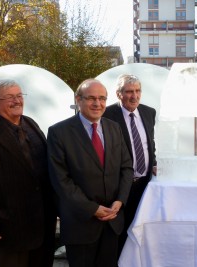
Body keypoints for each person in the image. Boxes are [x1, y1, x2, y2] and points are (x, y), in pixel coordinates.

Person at [0, 79, 57, 267]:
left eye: (19, 96)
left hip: (42, 226)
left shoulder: (31, 124)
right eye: (9, 97)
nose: (17, 101)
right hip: (10, 231)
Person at [47, 79, 133, 267]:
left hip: (112, 221)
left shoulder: (114, 128)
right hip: (81, 224)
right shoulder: (58, 132)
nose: (97, 103)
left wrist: (120, 200)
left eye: (102, 98)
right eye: (91, 98)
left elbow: (126, 167)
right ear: (78, 100)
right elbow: (61, 180)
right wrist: (92, 209)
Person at [103, 74, 157, 254]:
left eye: (137, 91)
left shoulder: (149, 112)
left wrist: (154, 163)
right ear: (119, 94)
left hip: (144, 184)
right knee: (119, 232)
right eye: (129, 92)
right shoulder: (107, 115)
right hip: (118, 186)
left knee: (140, 229)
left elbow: (149, 143)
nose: (134, 96)